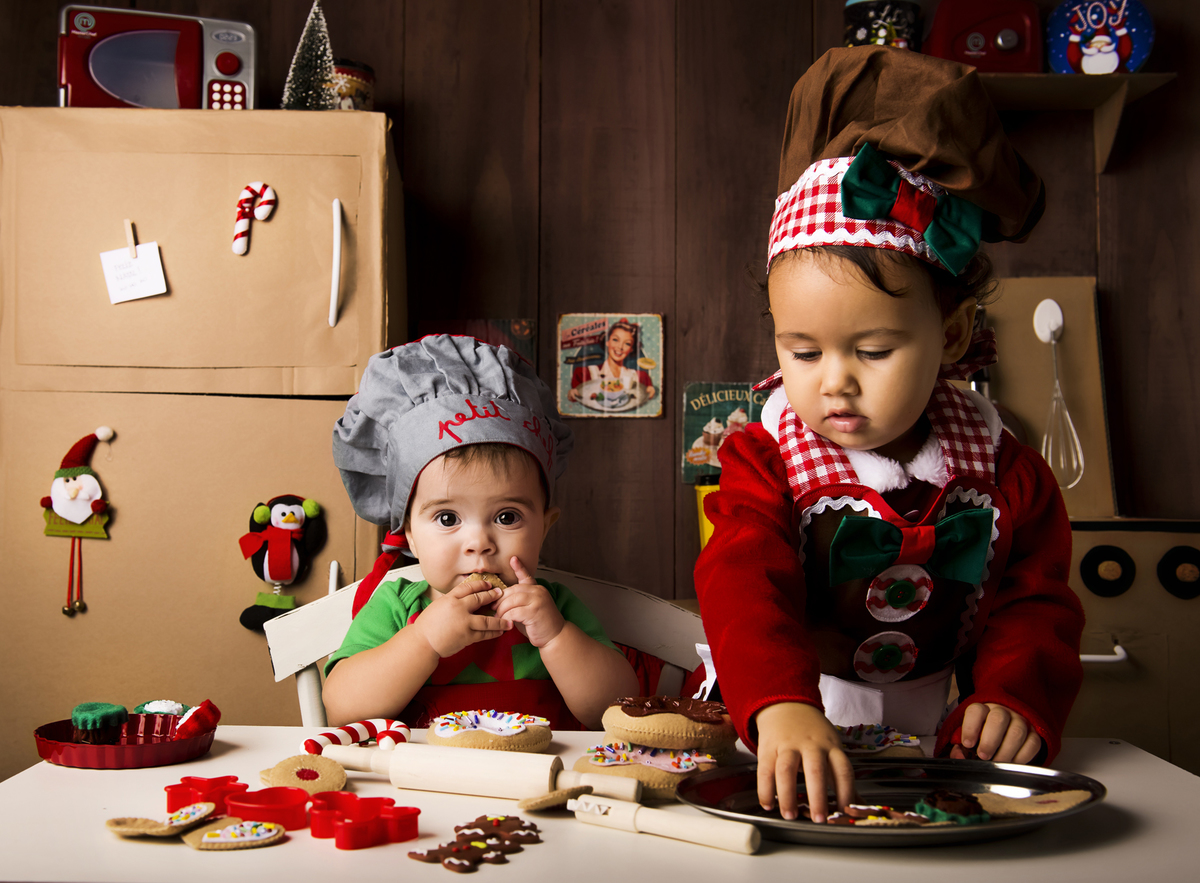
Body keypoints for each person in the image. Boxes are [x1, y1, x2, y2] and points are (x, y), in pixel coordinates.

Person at [693, 46, 1085, 824]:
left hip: (936, 739)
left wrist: (1010, 694)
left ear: (952, 330)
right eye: (802, 351)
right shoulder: (766, 455)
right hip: (781, 730)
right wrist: (778, 703)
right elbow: (743, 582)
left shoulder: (1004, 467)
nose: (833, 379)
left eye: (872, 351)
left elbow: (1033, 599)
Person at [324, 334, 638, 729]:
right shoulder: (398, 607)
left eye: (507, 517)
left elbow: (616, 711)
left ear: (545, 527)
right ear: (409, 538)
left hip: (539, 779)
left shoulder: (555, 608)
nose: (479, 544)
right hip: (424, 786)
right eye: (447, 518)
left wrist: (557, 638)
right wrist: (423, 642)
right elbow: (342, 709)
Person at [567, 319, 657, 403]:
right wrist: (573, 393)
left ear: (631, 349)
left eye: (627, 343)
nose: (620, 347)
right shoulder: (584, 373)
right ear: (607, 341)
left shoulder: (640, 377)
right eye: (615, 340)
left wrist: (650, 391)